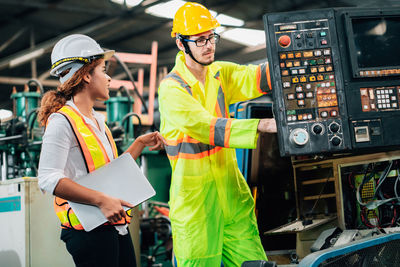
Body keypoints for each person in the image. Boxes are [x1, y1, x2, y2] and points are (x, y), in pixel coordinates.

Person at [157, 2, 277, 267]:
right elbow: (205, 126)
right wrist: (261, 125)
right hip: (196, 205)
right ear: (180, 43)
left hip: (231, 196)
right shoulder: (171, 89)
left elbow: (255, 77)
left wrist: (294, 58)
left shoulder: (220, 74)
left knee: (255, 264)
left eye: (211, 37)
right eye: (200, 40)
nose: (208, 45)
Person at [37, 34, 165, 267]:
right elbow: (47, 178)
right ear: (86, 75)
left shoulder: (97, 120)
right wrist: (102, 201)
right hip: (89, 232)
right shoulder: (62, 120)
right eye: (103, 71)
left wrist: (139, 144)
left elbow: (110, 172)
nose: (108, 79)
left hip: (114, 226)